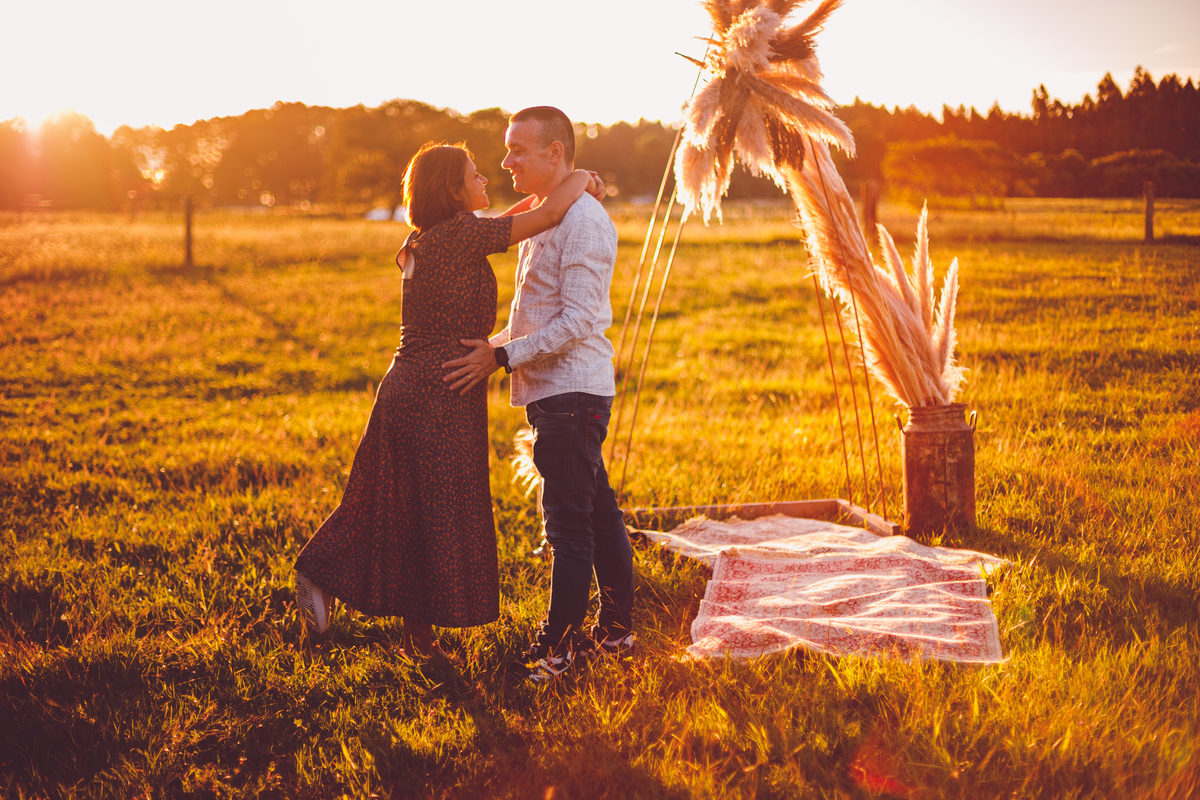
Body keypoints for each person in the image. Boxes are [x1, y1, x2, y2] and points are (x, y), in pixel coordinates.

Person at [293, 141, 602, 659]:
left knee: (412, 508)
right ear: (454, 192)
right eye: (475, 176)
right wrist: (583, 177)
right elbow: (549, 212)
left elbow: (511, 215)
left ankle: (415, 638)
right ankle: (322, 570)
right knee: (433, 511)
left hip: (408, 385)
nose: (487, 182)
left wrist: (561, 187)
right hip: (442, 389)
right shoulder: (461, 236)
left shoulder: (427, 238)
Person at [443, 107, 634, 682]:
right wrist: (492, 345)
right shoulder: (543, 217)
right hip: (559, 393)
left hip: (573, 397)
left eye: (519, 150)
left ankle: (559, 651)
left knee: (568, 526)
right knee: (599, 514)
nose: (506, 161)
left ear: (557, 154)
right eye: (505, 150)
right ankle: (619, 633)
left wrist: (501, 356)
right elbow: (535, 318)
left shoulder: (583, 222)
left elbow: (578, 320)